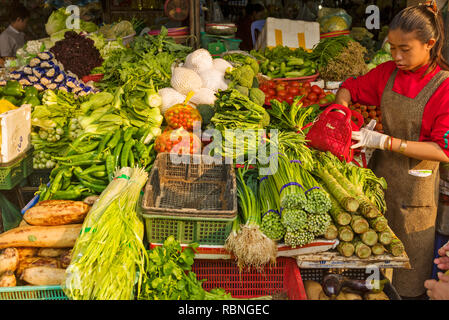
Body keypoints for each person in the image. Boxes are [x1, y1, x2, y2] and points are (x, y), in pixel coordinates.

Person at [333, 1, 449, 299]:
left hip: (417, 191)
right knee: (370, 271)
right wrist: (342, 113)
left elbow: (443, 150)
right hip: (380, 182)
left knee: (408, 279)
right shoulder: (387, 73)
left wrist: (385, 142)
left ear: (429, 44)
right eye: (392, 47)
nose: (396, 56)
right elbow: (350, 86)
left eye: (405, 49)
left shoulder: (444, 87)